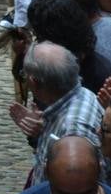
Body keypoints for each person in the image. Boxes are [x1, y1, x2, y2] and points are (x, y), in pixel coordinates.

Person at [17, 42, 104, 185]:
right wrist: (41, 132)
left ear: (34, 82)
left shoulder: (73, 129)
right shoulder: (84, 95)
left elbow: (76, 189)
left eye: (24, 75)